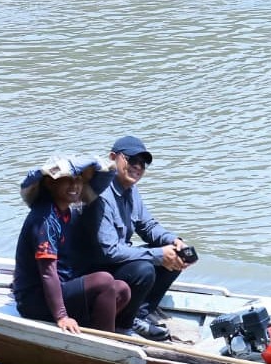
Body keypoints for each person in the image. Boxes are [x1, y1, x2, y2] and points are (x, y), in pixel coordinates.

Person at [76, 136, 190, 341]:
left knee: (174, 257)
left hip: (114, 262)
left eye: (143, 164)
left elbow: (148, 226)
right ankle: (123, 325)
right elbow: (110, 251)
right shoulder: (101, 196)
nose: (138, 167)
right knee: (144, 268)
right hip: (93, 271)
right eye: (132, 160)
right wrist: (158, 255)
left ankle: (138, 315)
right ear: (113, 158)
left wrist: (173, 241)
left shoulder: (131, 190)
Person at [12, 156, 131, 334]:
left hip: (63, 287)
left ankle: (99, 331)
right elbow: (47, 272)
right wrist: (61, 316)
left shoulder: (67, 213)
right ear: (50, 183)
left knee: (121, 289)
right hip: (35, 300)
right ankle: (106, 341)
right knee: (104, 280)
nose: (75, 186)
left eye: (79, 180)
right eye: (67, 180)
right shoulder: (45, 219)